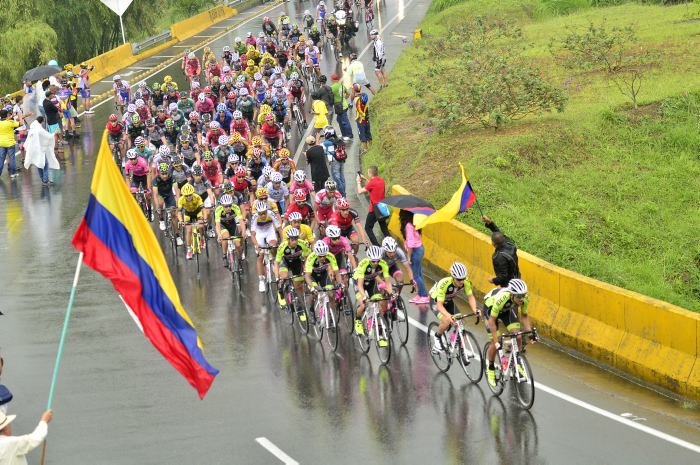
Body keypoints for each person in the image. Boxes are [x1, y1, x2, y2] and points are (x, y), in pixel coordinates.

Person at [483, 279, 536, 388]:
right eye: (519, 296)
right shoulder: (501, 299)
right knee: (495, 340)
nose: (521, 299)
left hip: (506, 310)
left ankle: (517, 362)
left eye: (523, 295)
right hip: (491, 310)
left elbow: (524, 316)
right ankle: (491, 368)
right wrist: (496, 341)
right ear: (511, 295)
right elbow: (492, 321)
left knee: (518, 335)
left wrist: (530, 334)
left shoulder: (523, 299)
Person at [429, 262, 480, 352]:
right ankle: (437, 337)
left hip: (448, 301)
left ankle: (457, 347)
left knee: (460, 322)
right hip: (436, 302)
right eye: (459, 279)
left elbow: (470, 296)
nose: (462, 281)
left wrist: (475, 309)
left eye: (463, 278)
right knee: (447, 319)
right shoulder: (444, 284)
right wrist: (448, 315)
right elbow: (439, 305)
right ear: (453, 277)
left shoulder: (466, 282)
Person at [481, 215, 521, 286]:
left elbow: (503, 276)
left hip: (509, 285)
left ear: (493, 243)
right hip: (517, 277)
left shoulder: (499, 257)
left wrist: (493, 280)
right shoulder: (509, 243)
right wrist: (489, 222)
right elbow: (498, 232)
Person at [399, 210, 429, 304]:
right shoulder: (415, 223)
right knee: (419, 273)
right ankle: (420, 294)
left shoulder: (408, 225)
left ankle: (424, 295)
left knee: (416, 275)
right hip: (420, 248)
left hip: (415, 251)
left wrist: (408, 256)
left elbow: (410, 243)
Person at [356, 166, 389, 245]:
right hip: (382, 208)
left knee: (368, 228)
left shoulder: (372, 183)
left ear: (370, 173)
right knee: (384, 228)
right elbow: (372, 185)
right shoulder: (381, 180)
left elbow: (360, 191)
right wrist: (365, 179)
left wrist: (358, 182)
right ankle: (391, 243)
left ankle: (377, 246)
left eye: (368, 172)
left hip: (374, 210)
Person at [23, 117, 59, 185]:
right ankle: (45, 180)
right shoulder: (39, 129)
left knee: (39, 164)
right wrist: (54, 133)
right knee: (45, 164)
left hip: (33, 150)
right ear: (41, 122)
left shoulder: (32, 129)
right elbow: (48, 136)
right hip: (39, 149)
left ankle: (43, 179)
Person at [330, 74, 353, 141]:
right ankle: (344, 135)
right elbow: (348, 94)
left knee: (344, 121)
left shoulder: (332, 87)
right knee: (340, 120)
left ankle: (349, 135)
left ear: (333, 80)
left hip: (339, 106)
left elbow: (330, 96)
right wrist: (344, 99)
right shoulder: (342, 86)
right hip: (344, 105)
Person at [0, 110, 19, 180]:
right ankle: (12, 173)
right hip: (10, 143)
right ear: (7, 115)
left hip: (1, 143)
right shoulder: (10, 122)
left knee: (1, 159)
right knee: (12, 159)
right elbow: (20, 123)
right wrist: (19, 114)